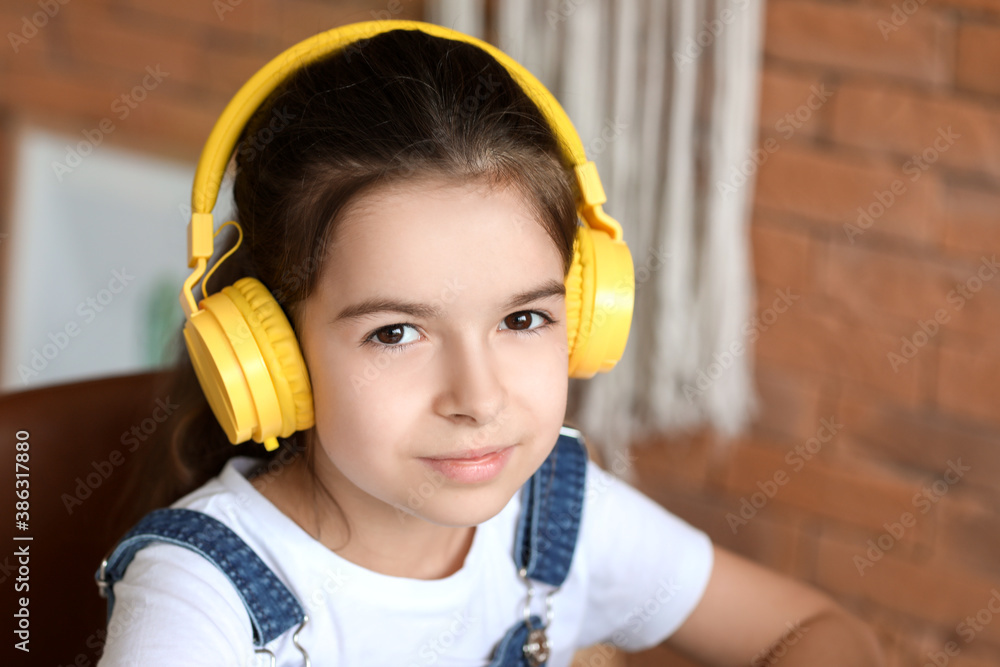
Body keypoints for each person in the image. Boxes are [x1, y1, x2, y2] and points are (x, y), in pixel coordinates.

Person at [96, 20, 884, 667]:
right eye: (395, 332)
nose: (477, 398)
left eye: (522, 319)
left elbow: (818, 630)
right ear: (273, 355)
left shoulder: (559, 513)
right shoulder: (199, 595)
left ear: (580, 311)